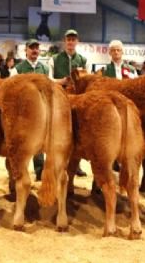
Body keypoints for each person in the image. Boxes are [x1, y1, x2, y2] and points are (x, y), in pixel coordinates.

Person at [48, 29, 88, 177]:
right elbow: (49, 78)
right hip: (59, 99)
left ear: (77, 41)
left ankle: (75, 165)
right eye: (68, 39)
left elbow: (86, 79)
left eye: (73, 39)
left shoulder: (83, 60)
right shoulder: (55, 59)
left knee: (77, 131)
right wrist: (62, 81)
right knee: (57, 131)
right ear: (64, 41)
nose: (71, 42)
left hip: (77, 100)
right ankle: (55, 163)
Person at [10, 40, 50, 181]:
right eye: (31, 48)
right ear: (25, 50)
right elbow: (11, 90)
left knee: (39, 140)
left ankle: (39, 170)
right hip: (23, 111)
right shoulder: (17, 69)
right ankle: (21, 171)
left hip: (41, 110)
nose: (34, 51)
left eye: (36, 48)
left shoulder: (45, 68)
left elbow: (49, 87)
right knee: (22, 141)